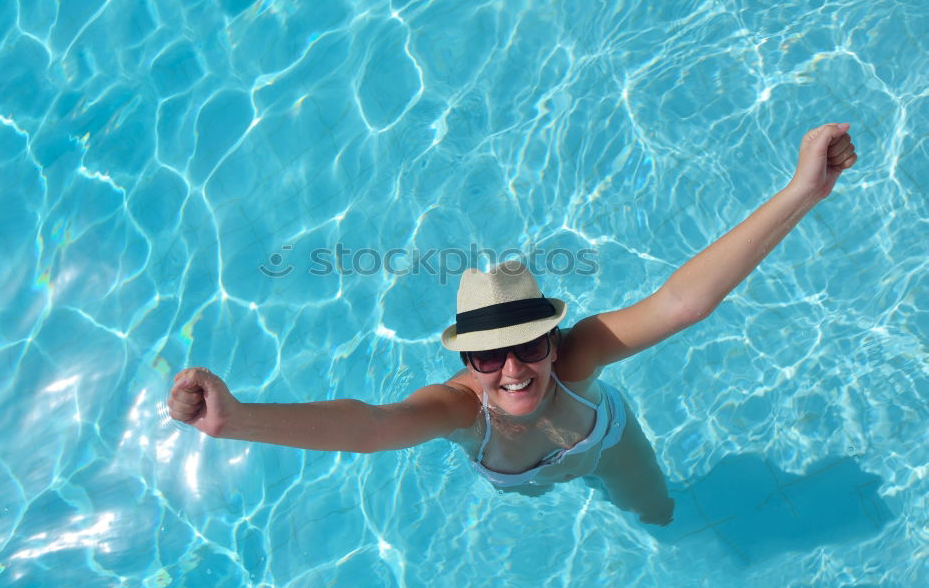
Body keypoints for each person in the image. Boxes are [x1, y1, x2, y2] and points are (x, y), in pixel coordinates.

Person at [168, 123, 858, 526]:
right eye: (487, 356)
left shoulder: (580, 359)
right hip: (522, 473)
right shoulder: (462, 410)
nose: (512, 369)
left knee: (658, 517)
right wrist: (238, 420)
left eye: (528, 345)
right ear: (465, 361)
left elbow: (684, 301)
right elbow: (371, 427)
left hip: (609, 444)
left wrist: (802, 192)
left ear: (552, 341)